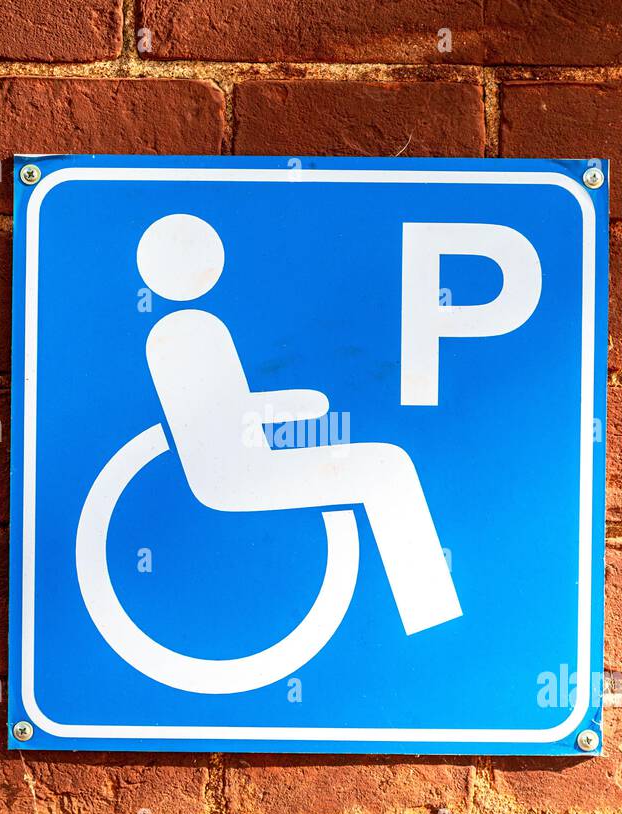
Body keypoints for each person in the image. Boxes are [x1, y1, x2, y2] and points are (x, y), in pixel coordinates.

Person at [138, 214, 461, 636]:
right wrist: (304, 403)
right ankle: (431, 617)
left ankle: (432, 614)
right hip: (232, 475)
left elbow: (228, 415)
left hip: (250, 459)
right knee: (387, 468)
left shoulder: (193, 329)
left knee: (388, 463)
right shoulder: (182, 334)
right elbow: (214, 419)